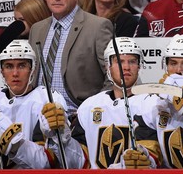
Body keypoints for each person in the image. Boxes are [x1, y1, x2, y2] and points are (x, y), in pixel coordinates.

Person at [38, 37, 160, 169]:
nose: (126, 67)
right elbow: (79, 161)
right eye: (119, 61)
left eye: (132, 61)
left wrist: (144, 158)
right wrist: (60, 136)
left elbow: (153, 153)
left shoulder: (151, 103)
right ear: (108, 66)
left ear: (139, 66)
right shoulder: (89, 106)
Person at [0, 39, 68, 169]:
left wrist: (11, 142)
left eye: (22, 66)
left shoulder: (48, 100)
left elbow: (48, 162)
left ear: (32, 68)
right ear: (1, 70)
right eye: (9, 66)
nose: (15, 73)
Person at [29, 0, 113, 116]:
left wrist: (94, 110)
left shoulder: (98, 26)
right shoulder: (37, 29)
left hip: (79, 114)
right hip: (39, 115)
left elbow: (113, 75)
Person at [123, 34, 183, 169]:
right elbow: (150, 149)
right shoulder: (152, 101)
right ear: (165, 66)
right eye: (173, 63)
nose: (178, 70)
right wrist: (145, 157)